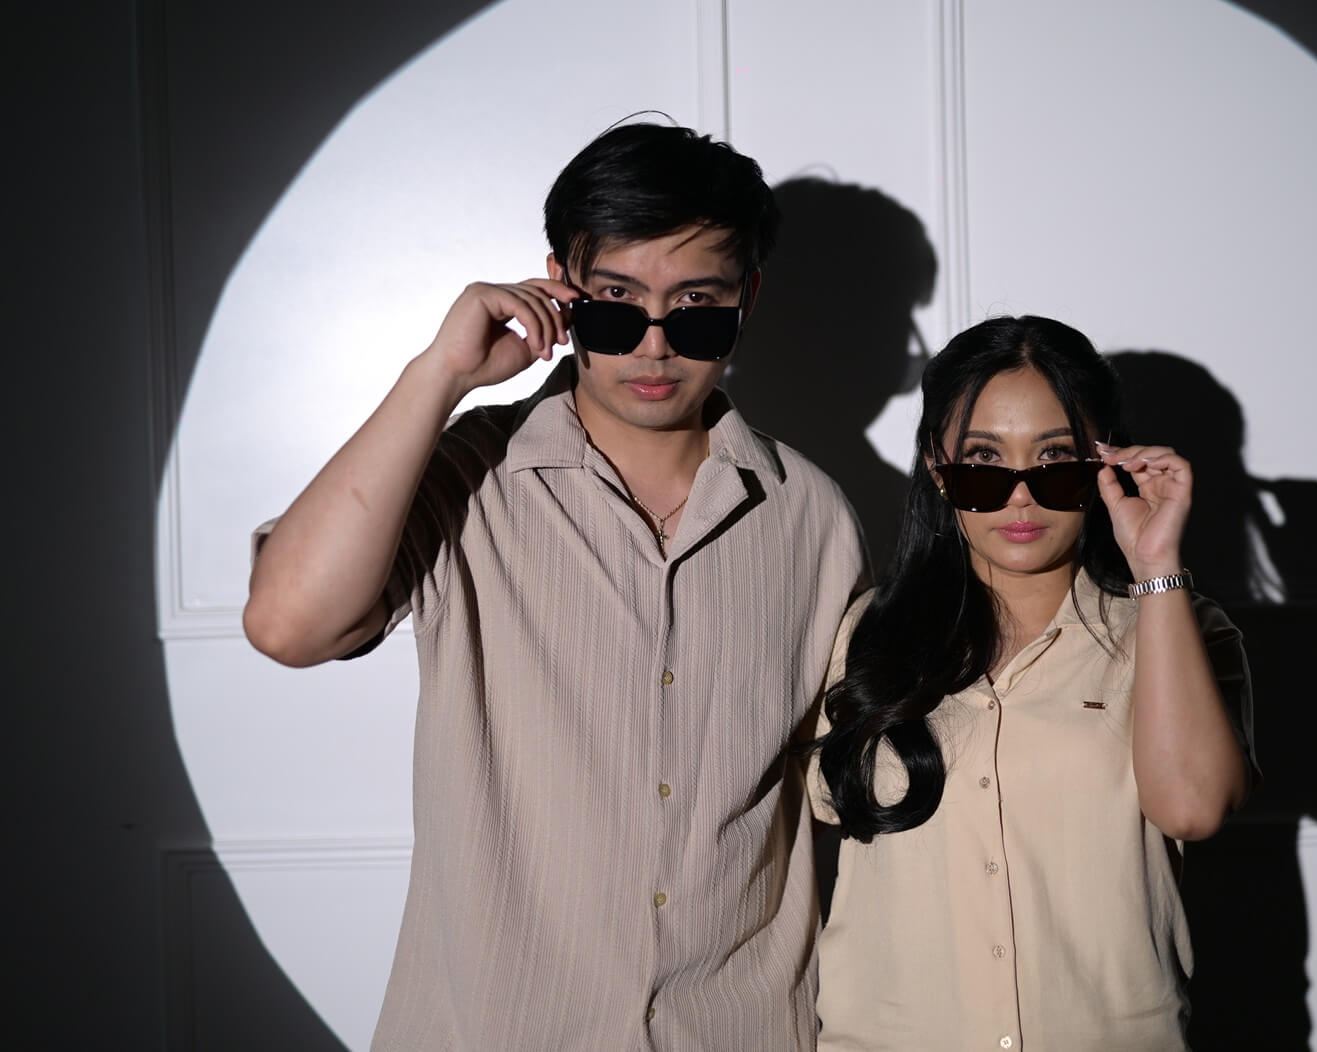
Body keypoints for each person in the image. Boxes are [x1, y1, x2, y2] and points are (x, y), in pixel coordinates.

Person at [243, 122, 865, 1050]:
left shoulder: (810, 514)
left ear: (747, 299)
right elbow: (289, 625)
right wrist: (440, 374)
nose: (653, 347)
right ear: (559, 289)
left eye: (696, 308)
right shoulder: (468, 476)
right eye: (615, 305)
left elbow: (844, 793)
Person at [809, 316, 1256, 1050]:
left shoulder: (1177, 628)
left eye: (1055, 462)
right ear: (937, 468)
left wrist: (1156, 568)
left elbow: (1192, 808)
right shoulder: (863, 635)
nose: (1020, 497)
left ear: (1105, 465)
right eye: (983, 462)